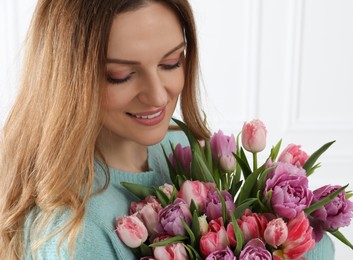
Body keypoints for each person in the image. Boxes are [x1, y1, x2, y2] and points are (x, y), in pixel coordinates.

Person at [0, 0, 334, 259]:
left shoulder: (181, 147)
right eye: (120, 75)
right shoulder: (71, 233)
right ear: (68, 81)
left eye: (171, 63)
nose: (158, 96)